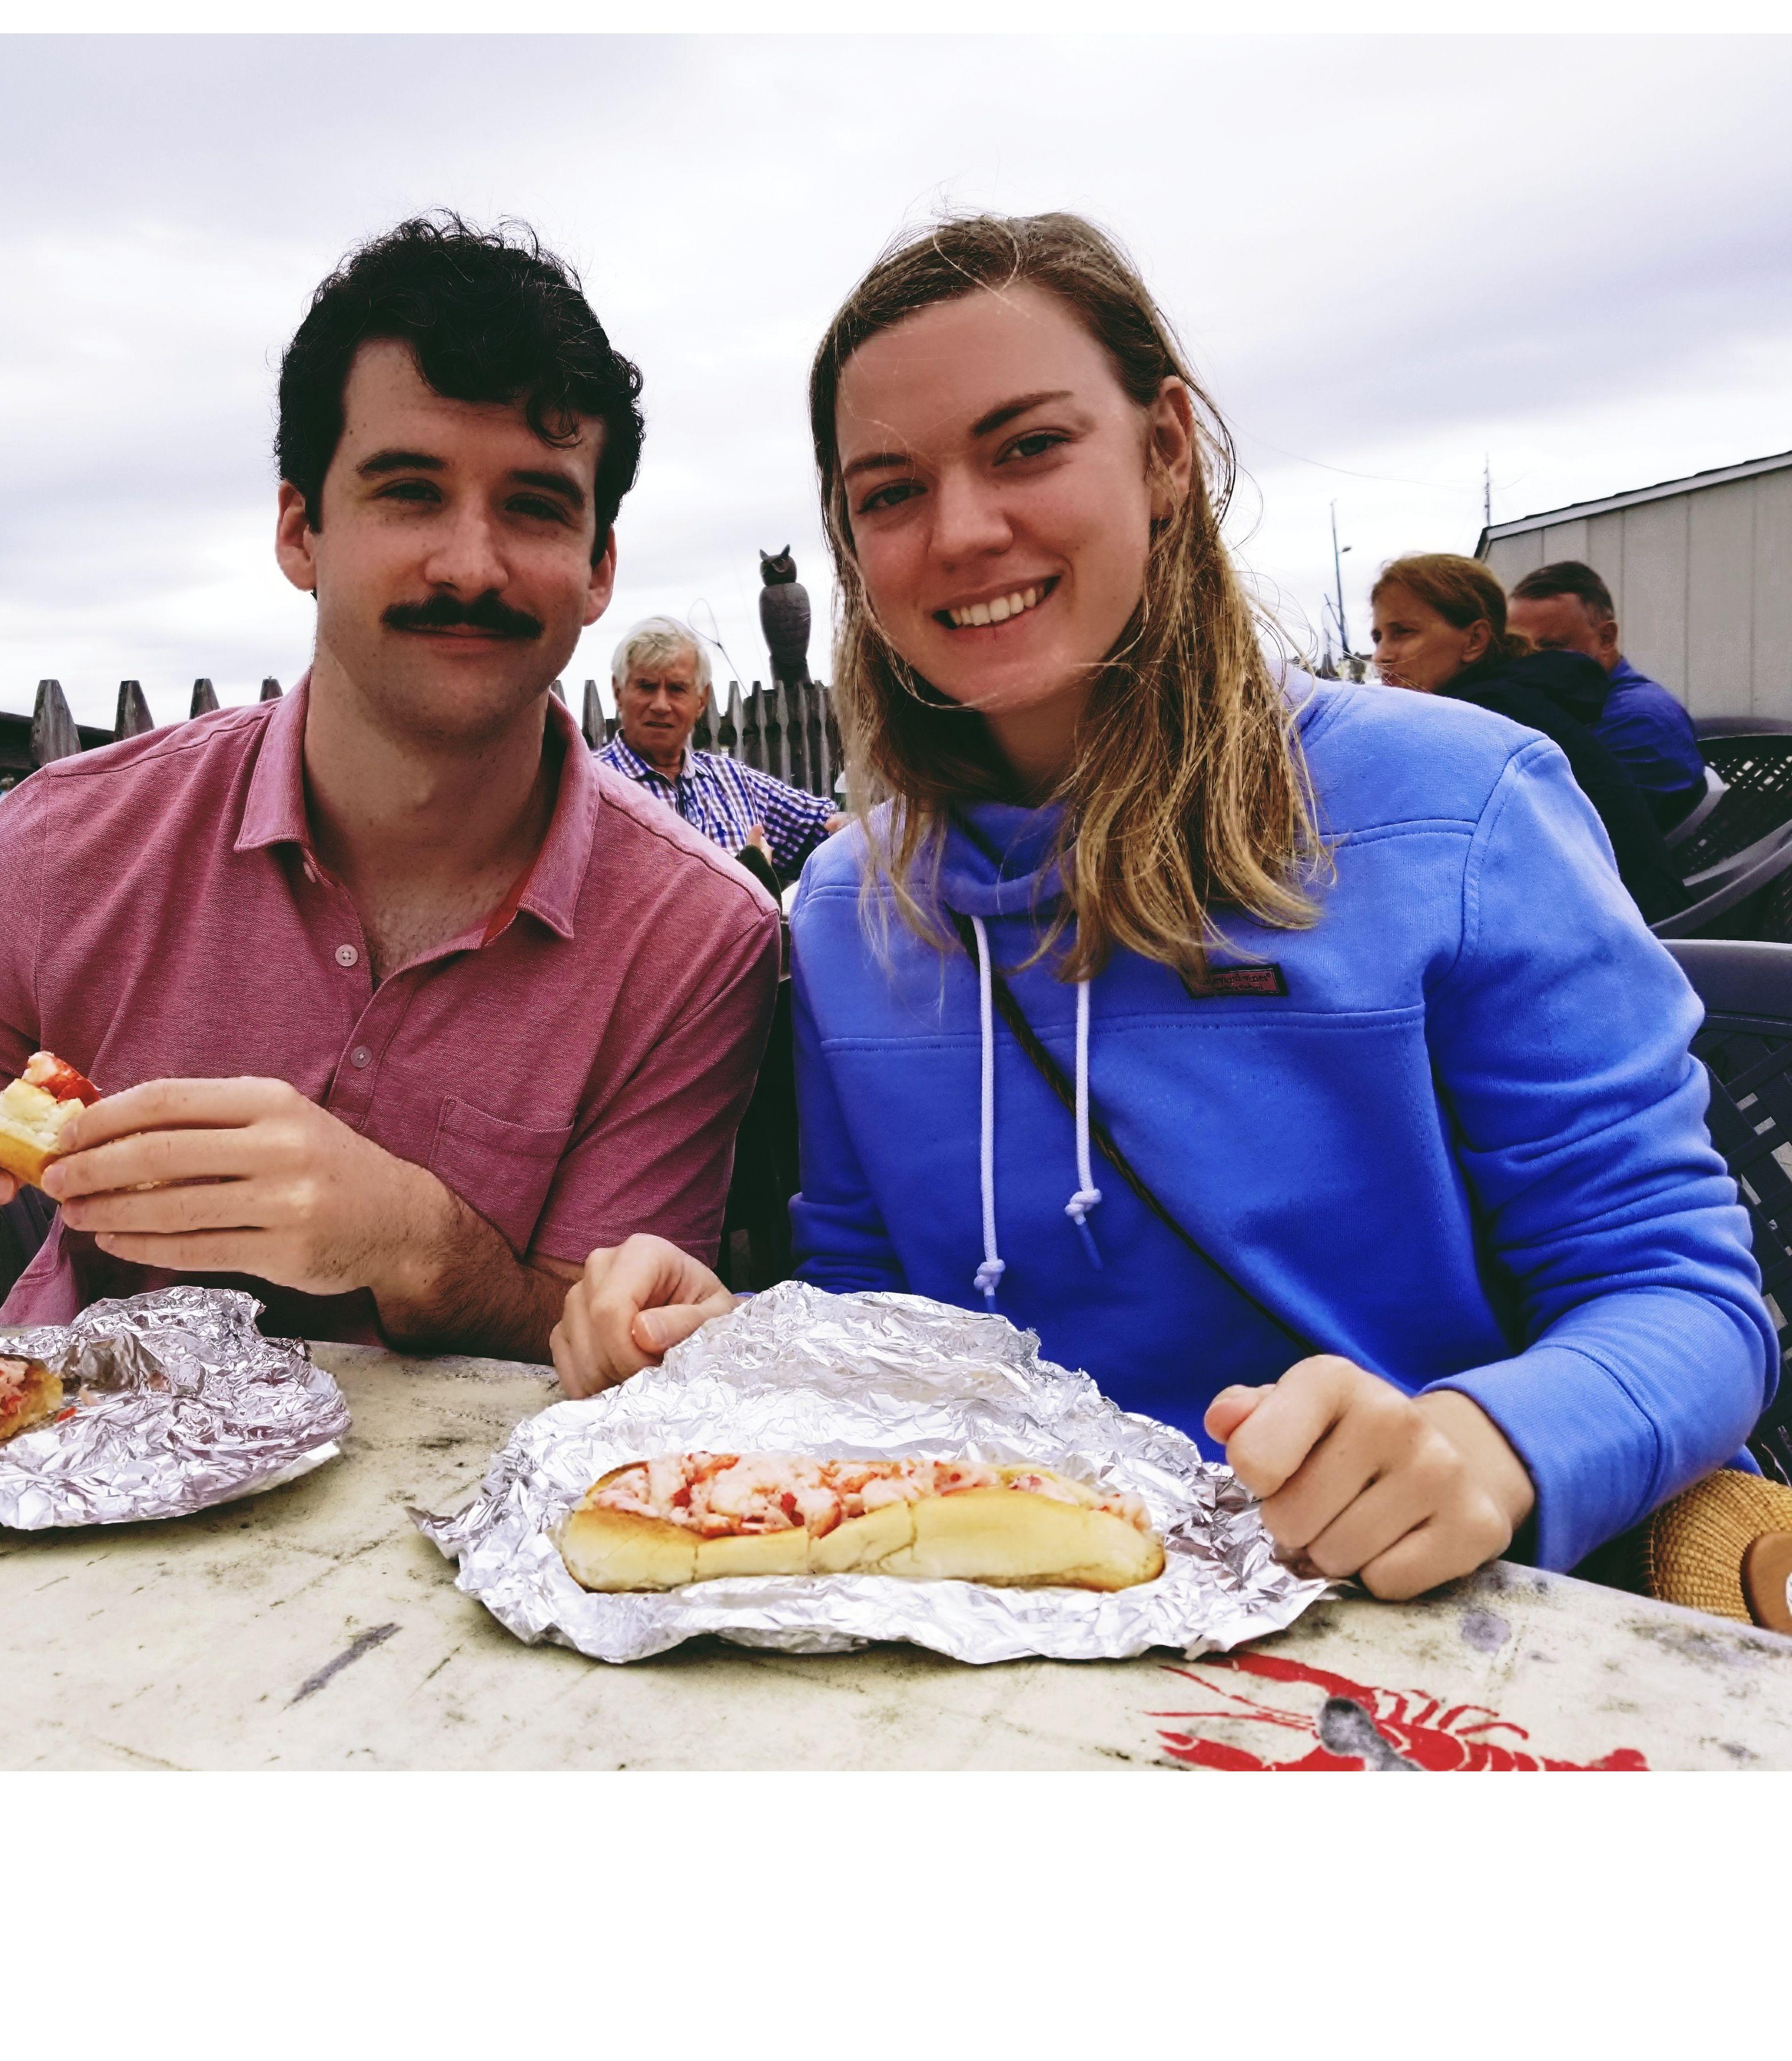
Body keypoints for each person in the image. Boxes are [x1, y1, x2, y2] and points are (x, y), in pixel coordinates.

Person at [553, 211, 1773, 1601]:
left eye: (1027, 448)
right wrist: (728, 1344)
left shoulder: (1465, 807)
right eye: (889, 492)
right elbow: (865, 1299)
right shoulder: (844, 907)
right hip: (1002, 1637)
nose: (961, 531)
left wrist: (1489, 1444)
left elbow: (1685, 1298)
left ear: (1166, 450)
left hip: (1397, 1631)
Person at [0, 216, 781, 1358]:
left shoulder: (699, 938)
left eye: (534, 506)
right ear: (301, 532)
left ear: (598, 573)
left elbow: (605, 1356)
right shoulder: (56, 849)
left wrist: (412, 1238)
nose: (471, 563)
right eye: (409, 491)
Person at [1369, 552, 1683, 921]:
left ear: (1474, 640)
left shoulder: (1487, 721)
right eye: (1378, 636)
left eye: (1403, 632)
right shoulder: (1517, 699)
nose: (1382, 656)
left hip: (1621, 939)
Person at [593, 614, 847, 890]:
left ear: (701, 700)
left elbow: (823, 828)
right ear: (618, 692)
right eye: (646, 686)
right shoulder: (590, 788)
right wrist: (747, 875)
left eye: (677, 688)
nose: (661, 705)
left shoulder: (732, 780)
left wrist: (854, 827)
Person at [1506, 559, 1706, 829]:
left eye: (1550, 646)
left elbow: (1572, 831)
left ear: (1605, 638)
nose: (1530, 660)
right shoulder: (1586, 705)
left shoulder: (1638, 721)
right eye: (1519, 647)